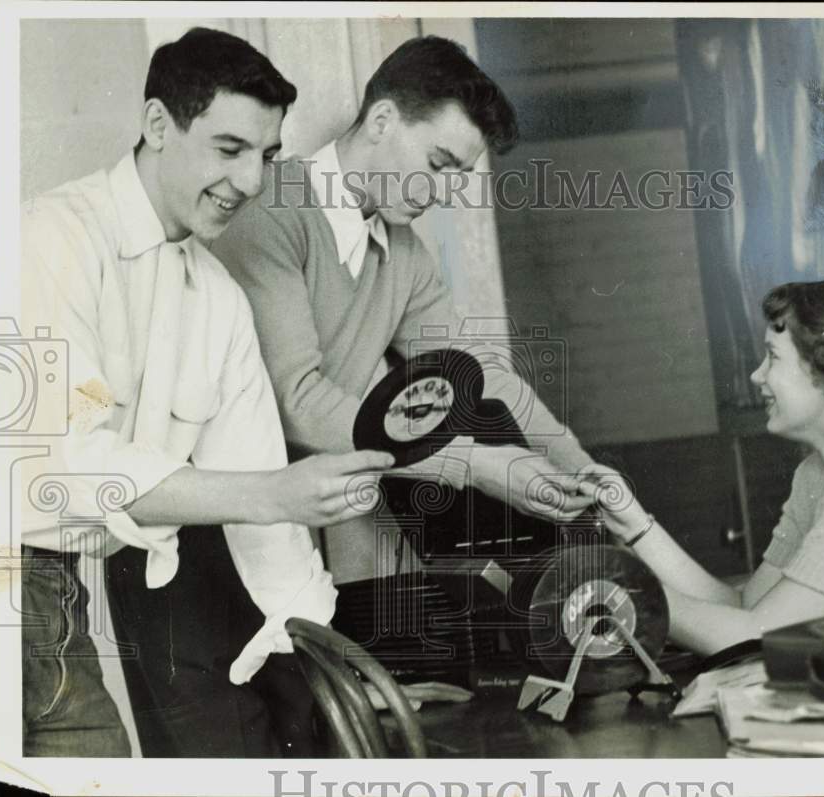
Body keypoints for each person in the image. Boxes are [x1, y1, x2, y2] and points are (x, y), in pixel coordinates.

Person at [19, 27, 391, 758]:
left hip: (54, 589)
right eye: (230, 149)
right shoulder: (52, 237)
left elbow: (264, 502)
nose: (252, 181)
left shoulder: (217, 296)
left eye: (267, 155)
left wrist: (319, 647)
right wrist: (277, 493)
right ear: (158, 124)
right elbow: (71, 464)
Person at [210, 36, 595, 581]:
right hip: (229, 532)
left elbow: (480, 376)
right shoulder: (269, 215)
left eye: (456, 177)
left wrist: (583, 472)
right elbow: (296, 401)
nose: (441, 192)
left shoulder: (403, 250)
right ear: (382, 120)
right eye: (437, 165)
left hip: (315, 527)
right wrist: (473, 464)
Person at [584, 276, 824, 656]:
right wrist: (635, 525)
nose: (757, 375)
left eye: (773, 356)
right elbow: (747, 608)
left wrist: (619, 591)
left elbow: (754, 637)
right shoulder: (818, 474)